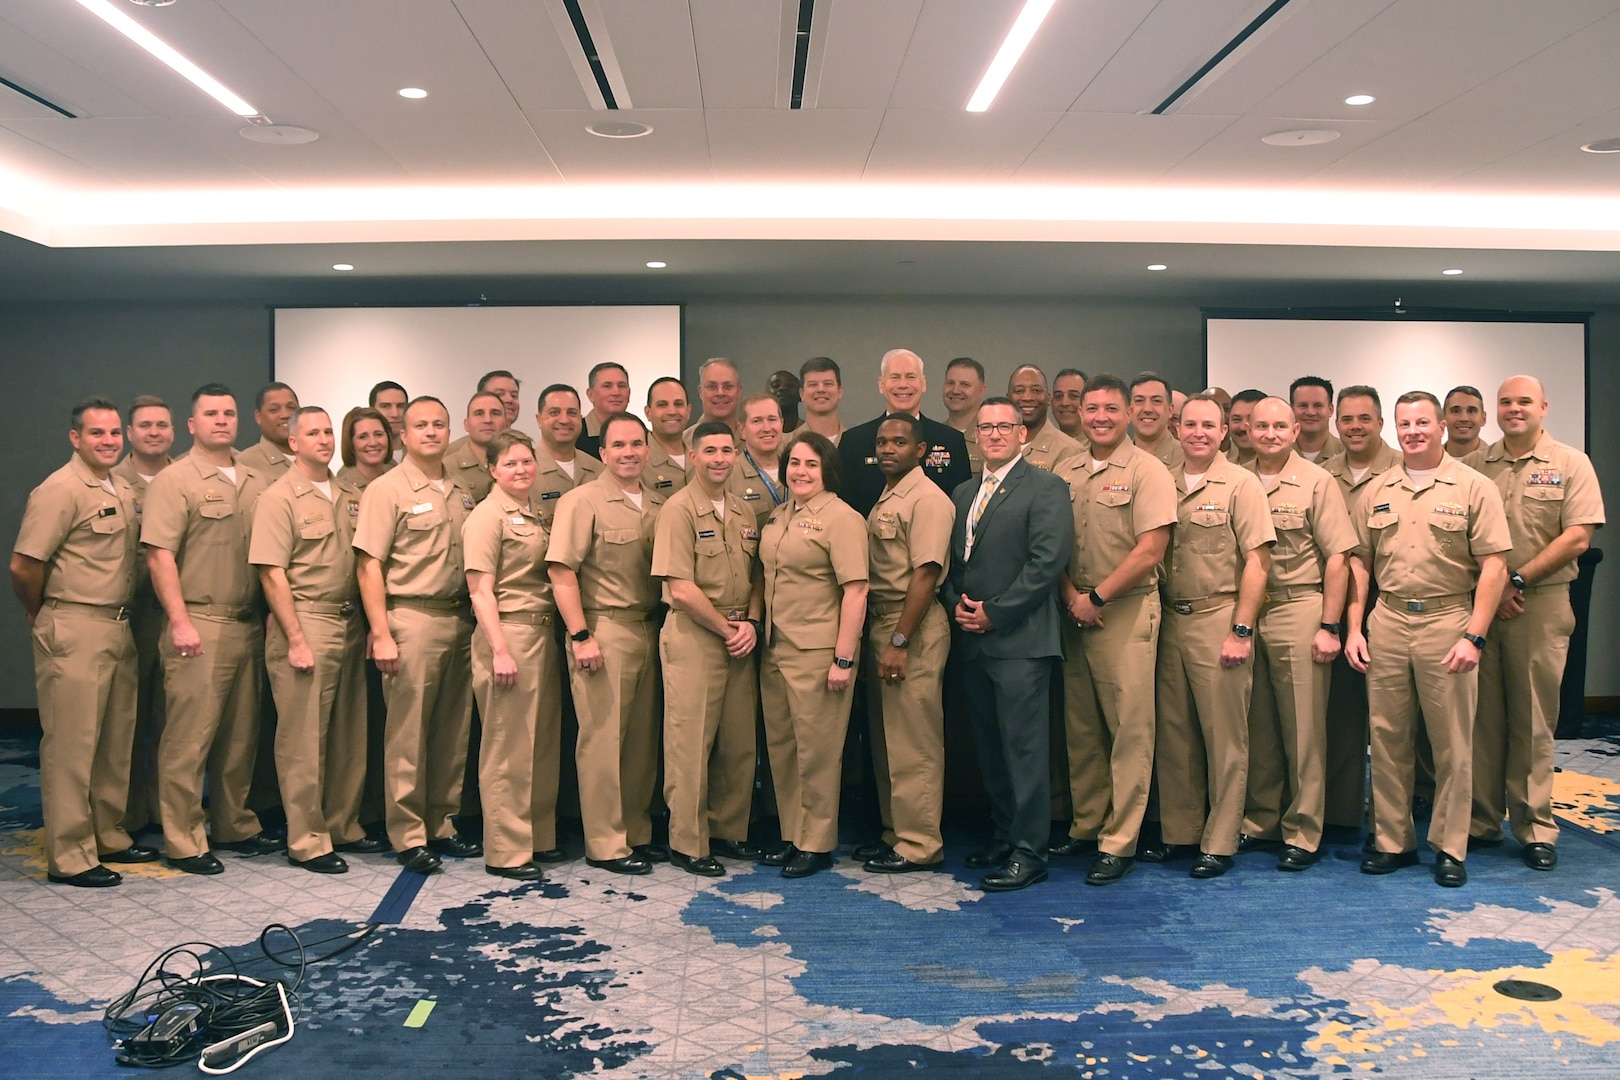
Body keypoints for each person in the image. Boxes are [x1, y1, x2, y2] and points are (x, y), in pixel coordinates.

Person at [1346, 391, 1510, 888]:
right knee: (1388, 738)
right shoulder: (1377, 489)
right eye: (1404, 423)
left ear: (1441, 426)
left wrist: (1474, 636)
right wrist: (1354, 627)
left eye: (1422, 422)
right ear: (1395, 429)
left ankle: (1449, 846)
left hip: (1448, 622)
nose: (1413, 431)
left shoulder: (1473, 487)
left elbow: (1495, 566)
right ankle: (1392, 841)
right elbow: (1359, 563)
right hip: (1390, 620)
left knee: (1452, 742)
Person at [11, 397, 149, 886]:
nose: (108, 441)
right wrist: (39, 610)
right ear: (76, 438)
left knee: (113, 740)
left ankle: (107, 834)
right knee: (72, 744)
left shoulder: (124, 486)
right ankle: (70, 855)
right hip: (73, 624)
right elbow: (24, 564)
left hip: (117, 624)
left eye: (114, 433)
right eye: (96, 433)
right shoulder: (59, 489)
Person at [1470, 376, 1604, 870]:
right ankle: (1480, 822)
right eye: (1505, 402)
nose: (1514, 409)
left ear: (1543, 407)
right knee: (1481, 719)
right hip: (1483, 605)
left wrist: (1517, 580)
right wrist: (1494, 590)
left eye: (1523, 401)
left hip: (1540, 604)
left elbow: (1578, 537)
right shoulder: (1475, 464)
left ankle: (1533, 827)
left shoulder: (1570, 463)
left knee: (1532, 719)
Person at [141, 384, 276, 874]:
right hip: (197, 621)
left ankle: (233, 823)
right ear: (192, 424)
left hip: (246, 623)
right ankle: (183, 838)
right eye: (211, 414)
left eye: (229, 413)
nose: (222, 420)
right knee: (188, 737)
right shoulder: (174, 481)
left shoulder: (256, 479)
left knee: (240, 736)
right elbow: (159, 556)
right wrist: (178, 621)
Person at [942, 397, 1074, 892]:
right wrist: (957, 603)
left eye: (1004, 426)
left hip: (1020, 641)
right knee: (990, 751)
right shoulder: (962, 492)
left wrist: (994, 613)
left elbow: (1047, 562)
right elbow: (955, 562)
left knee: (1024, 751)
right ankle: (1003, 837)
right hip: (973, 640)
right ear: (976, 435)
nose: (994, 434)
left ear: (1023, 434)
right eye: (986, 427)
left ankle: (1029, 852)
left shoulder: (1046, 487)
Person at [1145, 394, 1274, 879]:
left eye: (1209, 425)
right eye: (1191, 424)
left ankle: (1219, 840)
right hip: (1169, 620)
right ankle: (1180, 833)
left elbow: (1258, 562)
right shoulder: (1161, 480)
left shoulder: (1242, 483)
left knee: (1225, 737)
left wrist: (1242, 629)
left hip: (1219, 618)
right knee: (1175, 734)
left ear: (1224, 432)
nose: (1199, 432)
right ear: (1178, 428)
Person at [1053, 374, 1175, 886]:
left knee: (1129, 730)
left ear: (1127, 414)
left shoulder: (1148, 471)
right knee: (1081, 728)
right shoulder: (1067, 469)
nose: (1100, 417)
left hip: (1123, 611)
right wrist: (1072, 598)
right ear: (1080, 414)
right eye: (1091, 409)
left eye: (1110, 409)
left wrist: (1096, 597)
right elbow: (1050, 543)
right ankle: (1087, 824)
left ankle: (1120, 839)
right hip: (1073, 609)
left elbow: (1151, 550)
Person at [353, 395, 481, 875]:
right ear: (402, 436)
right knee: (408, 734)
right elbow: (369, 565)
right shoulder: (386, 490)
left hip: (458, 618)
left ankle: (441, 823)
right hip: (411, 619)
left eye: (439, 424)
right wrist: (381, 633)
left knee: (452, 731)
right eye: (420, 425)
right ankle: (407, 833)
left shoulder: (462, 488)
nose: (431, 431)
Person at [249, 406, 373, 874]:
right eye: (312, 433)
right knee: (303, 739)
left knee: (347, 733)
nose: (323, 439)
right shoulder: (278, 497)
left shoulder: (350, 492)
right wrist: (295, 638)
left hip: (349, 620)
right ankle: (307, 839)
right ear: (293, 442)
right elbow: (271, 572)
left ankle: (343, 824)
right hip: (306, 619)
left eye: (327, 431)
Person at [1238, 398, 1357, 871]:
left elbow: (1337, 558)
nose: (1269, 434)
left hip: (1297, 606)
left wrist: (1330, 625)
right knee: (1259, 725)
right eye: (1261, 425)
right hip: (1248, 611)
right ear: (1247, 429)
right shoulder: (1237, 477)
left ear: (1295, 432)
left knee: (1303, 729)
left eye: (1279, 426)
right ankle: (1261, 820)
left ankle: (1303, 831)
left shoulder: (1316, 481)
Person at [548, 414, 667, 875]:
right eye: (618, 445)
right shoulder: (582, 501)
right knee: (602, 740)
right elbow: (562, 572)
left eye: (637, 444)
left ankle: (635, 831)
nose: (629, 452)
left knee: (640, 741)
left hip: (648, 628)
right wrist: (580, 635)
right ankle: (605, 842)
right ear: (602, 453)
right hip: (603, 629)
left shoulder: (659, 503)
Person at [652, 420, 764, 877]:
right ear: (693, 456)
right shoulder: (677, 510)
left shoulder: (743, 511)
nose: (719, 458)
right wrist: (727, 628)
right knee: (690, 741)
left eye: (726, 450)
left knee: (738, 743)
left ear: (736, 454)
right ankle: (688, 841)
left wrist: (752, 622)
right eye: (710, 451)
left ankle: (727, 830)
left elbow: (758, 575)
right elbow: (679, 587)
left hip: (740, 636)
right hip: (697, 636)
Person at [758, 431, 869, 878]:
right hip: (776, 648)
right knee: (783, 750)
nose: (800, 472)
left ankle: (817, 841)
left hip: (820, 652)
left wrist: (844, 659)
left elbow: (856, 591)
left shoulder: (842, 518)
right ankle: (792, 833)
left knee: (818, 753)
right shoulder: (780, 515)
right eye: (794, 463)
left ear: (827, 472)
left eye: (811, 465)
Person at [464, 430, 565, 882]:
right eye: (510, 464)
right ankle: (505, 851)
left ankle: (536, 838)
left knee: (539, 745)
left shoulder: (535, 514)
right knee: (507, 748)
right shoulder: (488, 516)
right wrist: (499, 650)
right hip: (509, 635)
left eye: (526, 461)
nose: (521, 469)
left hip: (541, 635)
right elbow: (480, 590)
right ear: (492, 470)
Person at [859, 414, 955, 874]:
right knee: (887, 739)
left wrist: (900, 639)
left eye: (900, 441)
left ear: (921, 451)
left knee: (913, 741)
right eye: (882, 441)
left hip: (910, 626)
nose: (888, 448)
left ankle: (919, 843)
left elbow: (926, 574)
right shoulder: (890, 495)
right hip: (883, 622)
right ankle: (895, 832)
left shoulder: (927, 498)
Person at [1319, 385, 1402, 831]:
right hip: (1337, 601)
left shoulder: (1402, 468)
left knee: (1400, 720)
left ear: (1380, 422)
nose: (1354, 427)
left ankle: (1409, 811)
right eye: (1347, 419)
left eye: (1364, 419)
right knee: (1344, 711)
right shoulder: (1322, 474)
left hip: (1390, 602)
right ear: (1337, 423)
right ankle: (1344, 815)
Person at [112, 394, 174, 838]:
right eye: (145, 425)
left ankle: (161, 810)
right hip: (128, 614)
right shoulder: (109, 480)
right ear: (130, 434)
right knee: (125, 720)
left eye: (161, 425)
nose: (154, 432)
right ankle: (127, 814)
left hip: (174, 613)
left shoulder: (185, 476)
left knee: (170, 719)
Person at [839, 349, 971, 517]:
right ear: (881, 385)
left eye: (910, 377)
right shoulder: (854, 442)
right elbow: (843, 510)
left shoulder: (951, 440)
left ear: (923, 384)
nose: (903, 384)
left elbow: (963, 505)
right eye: (894, 377)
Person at [533, 384, 605, 527]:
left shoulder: (599, 470)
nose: (564, 420)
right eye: (554, 412)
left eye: (572, 413)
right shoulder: (524, 471)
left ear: (580, 418)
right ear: (539, 419)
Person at [726, 393, 787, 528]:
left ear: (782, 424)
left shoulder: (797, 470)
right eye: (757, 421)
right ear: (742, 429)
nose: (766, 428)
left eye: (772, 419)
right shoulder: (729, 475)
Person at [1009, 364, 1085, 472]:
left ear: (1048, 399)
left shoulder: (1069, 451)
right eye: (1019, 391)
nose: (1027, 397)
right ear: (1008, 399)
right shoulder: (997, 444)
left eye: (1036, 390)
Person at [444, 391, 502, 502]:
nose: (488, 420)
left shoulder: (519, 466)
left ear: (505, 422)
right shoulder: (447, 467)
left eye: (495, 413)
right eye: (479, 414)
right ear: (466, 424)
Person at [237, 382, 299, 477]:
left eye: (291, 408)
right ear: (258, 417)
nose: (285, 415)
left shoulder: (313, 457)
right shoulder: (245, 464)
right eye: (274, 409)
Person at [643, 376, 692, 495]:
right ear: (648, 413)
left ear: (688, 411)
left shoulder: (701, 458)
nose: (672, 411)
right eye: (662, 405)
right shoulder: (637, 461)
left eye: (678, 404)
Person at [942, 357, 988, 479]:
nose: (956, 390)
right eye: (950, 383)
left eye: (965, 385)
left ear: (981, 391)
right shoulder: (935, 435)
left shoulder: (990, 437)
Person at [1129, 372, 1184, 470]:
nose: (1147, 409)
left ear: (1170, 410)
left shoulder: (1188, 460)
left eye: (1156, 401)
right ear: (1129, 410)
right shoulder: (1114, 458)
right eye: (1139, 400)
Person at [580, 362, 632, 459]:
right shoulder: (575, 436)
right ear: (590, 394)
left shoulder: (643, 435)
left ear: (629, 393)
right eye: (607, 386)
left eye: (621, 386)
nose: (616, 392)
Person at [683, 358, 742, 444]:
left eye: (728, 386)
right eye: (712, 386)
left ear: (739, 391)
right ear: (700, 392)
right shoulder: (682, 443)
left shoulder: (753, 440)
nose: (720, 393)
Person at [337, 406, 395, 490]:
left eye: (378, 434)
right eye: (363, 437)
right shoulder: (341, 489)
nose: (373, 443)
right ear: (350, 443)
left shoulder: (400, 483)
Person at [1290, 377, 1343, 462]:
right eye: (1303, 405)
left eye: (1318, 405)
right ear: (1291, 410)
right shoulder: (1279, 453)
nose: (1310, 412)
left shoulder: (1347, 453)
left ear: (1331, 409)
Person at [799, 357, 845, 444]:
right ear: (801, 394)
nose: (821, 389)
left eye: (828, 384)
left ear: (840, 391)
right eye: (813, 384)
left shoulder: (857, 442)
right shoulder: (784, 444)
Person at [1443, 385, 1487, 459]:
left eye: (1471, 411)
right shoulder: (1427, 461)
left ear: (1483, 418)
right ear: (1443, 417)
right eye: (1456, 411)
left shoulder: (1501, 467)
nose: (1464, 418)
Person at [369, 381, 409, 462]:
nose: (395, 414)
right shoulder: (361, 464)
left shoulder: (422, 452)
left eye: (400, 406)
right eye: (385, 406)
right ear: (372, 410)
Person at [1225, 389, 1265, 465]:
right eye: (1237, 419)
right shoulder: (1221, 469)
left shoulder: (1288, 470)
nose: (1243, 427)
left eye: (1251, 419)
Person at [1050, 368, 1088, 443]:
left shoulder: (1100, 447)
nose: (1065, 403)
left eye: (1073, 396)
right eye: (1058, 396)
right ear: (1051, 402)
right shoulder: (1045, 446)